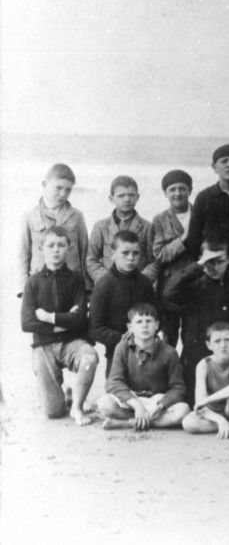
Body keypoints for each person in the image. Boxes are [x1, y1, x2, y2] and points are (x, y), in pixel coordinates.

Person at [20, 226, 99, 425]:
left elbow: (81, 319)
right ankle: (64, 391)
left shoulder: (76, 280)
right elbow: (27, 323)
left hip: (72, 342)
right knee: (53, 412)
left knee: (89, 357)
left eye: (61, 245)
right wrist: (65, 321)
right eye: (51, 245)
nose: (56, 250)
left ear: (69, 248)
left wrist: (48, 317)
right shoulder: (32, 282)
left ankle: (77, 406)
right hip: (44, 345)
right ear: (41, 249)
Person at [163, 239, 229, 407]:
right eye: (209, 262)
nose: (215, 267)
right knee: (194, 407)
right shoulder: (191, 287)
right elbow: (168, 292)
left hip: (226, 363)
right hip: (196, 360)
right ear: (201, 261)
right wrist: (197, 266)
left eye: (220, 261)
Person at [97, 304, 190, 430]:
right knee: (104, 404)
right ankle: (144, 420)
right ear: (130, 327)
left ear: (157, 325)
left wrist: (161, 405)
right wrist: (137, 406)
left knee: (183, 410)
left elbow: (178, 387)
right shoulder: (122, 347)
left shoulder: (169, 352)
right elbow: (113, 382)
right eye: (139, 322)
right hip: (132, 399)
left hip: (157, 401)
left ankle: (129, 423)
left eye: (149, 321)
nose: (144, 325)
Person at [184, 144, 229, 288]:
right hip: (212, 264)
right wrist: (203, 261)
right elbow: (194, 236)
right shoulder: (204, 197)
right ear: (214, 167)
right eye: (224, 161)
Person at [89, 230, 157, 376]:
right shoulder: (103, 285)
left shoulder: (145, 283)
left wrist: (144, 334)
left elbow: (157, 315)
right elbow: (95, 328)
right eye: (125, 253)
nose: (131, 258)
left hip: (145, 350)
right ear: (112, 254)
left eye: (136, 253)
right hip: (116, 354)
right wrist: (125, 339)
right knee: (116, 395)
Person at [19, 163, 90, 295]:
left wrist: (87, 287)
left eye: (68, 190)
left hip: (71, 283)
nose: (63, 194)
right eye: (58, 188)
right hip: (40, 284)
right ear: (44, 184)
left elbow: (85, 251)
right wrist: (23, 288)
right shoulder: (29, 216)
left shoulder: (77, 215)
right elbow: (23, 254)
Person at [86, 175, 157, 284]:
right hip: (109, 287)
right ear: (111, 198)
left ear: (137, 197)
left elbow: (155, 260)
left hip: (137, 286)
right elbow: (91, 259)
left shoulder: (148, 227)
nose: (127, 199)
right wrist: (107, 280)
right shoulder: (101, 226)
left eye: (131, 195)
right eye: (121, 195)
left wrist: (142, 280)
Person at [152, 169, 195, 346]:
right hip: (170, 287)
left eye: (182, 188)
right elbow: (160, 254)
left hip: (196, 282)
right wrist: (183, 239)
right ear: (165, 193)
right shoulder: (160, 219)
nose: (177, 193)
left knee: (193, 336)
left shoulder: (200, 214)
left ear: (190, 190)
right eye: (172, 189)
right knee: (169, 337)